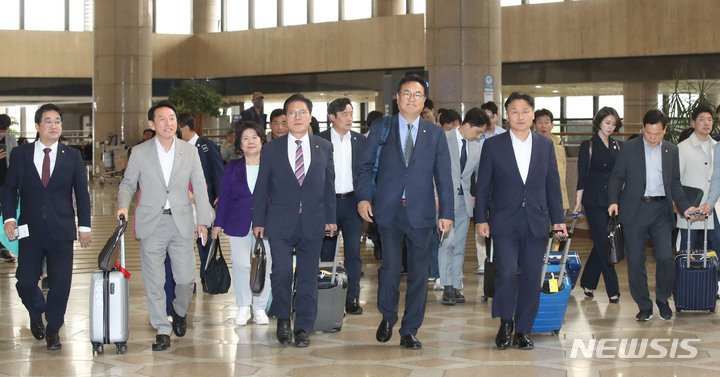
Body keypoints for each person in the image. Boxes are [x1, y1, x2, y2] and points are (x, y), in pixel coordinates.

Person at [356, 75, 454, 350]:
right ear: (397, 98)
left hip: (421, 213)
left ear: (424, 101)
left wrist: (446, 211)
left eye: (417, 94)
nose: (412, 98)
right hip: (387, 211)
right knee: (389, 269)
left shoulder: (434, 133)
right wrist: (364, 199)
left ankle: (410, 329)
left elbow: (444, 176)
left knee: (419, 274)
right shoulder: (380, 128)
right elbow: (364, 166)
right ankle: (388, 316)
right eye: (406, 94)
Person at [117, 100, 214, 351]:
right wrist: (122, 206)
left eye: (172, 118)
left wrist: (203, 220)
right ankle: (162, 328)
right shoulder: (139, 152)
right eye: (162, 119)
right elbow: (128, 184)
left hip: (182, 222)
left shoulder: (189, 151)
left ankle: (179, 311)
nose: (168, 123)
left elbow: (200, 187)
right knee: (154, 280)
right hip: (152, 223)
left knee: (185, 279)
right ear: (152, 124)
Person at [475, 92, 566, 351]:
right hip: (503, 221)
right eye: (514, 111)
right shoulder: (493, 145)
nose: (520, 116)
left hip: (536, 220)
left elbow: (553, 185)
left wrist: (558, 219)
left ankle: (523, 329)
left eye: (525, 111)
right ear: (507, 116)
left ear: (533, 115)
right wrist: (481, 218)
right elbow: (483, 186)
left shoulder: (545, 145)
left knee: (529, 276)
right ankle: (505, 323)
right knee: (505, 272)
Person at [2, 103, 91, 350]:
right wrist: (9, 218)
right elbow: (9, 189)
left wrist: (84, 226)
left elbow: (82, 194)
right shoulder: (20, 154)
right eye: (48, 121)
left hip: (61, 229)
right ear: (37, 126)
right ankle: (36, 310)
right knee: (25, 280)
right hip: (29, 230)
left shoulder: (71, 156)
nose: (54, 126)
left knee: (61, 283)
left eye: (57, 122)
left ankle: (53, 329)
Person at [252, 93, 337, 348]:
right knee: (280, 273)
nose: (297, 117)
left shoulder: (324, 147)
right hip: (279, 222)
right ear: (284, 119)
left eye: (302, 113)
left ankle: (303, 327)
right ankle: (283, 321)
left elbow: (328, 186)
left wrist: (331, 218)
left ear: (310, 117)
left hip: (313, 221)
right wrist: (258, 220)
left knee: (308, 275)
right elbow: (261, 188)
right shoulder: (271, 149)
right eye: (292, 113)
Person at [608, 109, 695, 322]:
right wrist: (613, 200)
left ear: (665, 130)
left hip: (661, 212)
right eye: (648, 134)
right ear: (643, 129)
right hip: (634, 211)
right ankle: (644, 305)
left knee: (665, 257)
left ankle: (663, 299)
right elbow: (617, 178)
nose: (653, 139)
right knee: (636, 262)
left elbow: (675, 183)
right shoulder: (628, 148)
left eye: (657, 134)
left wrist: (684, 207)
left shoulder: (671, 150)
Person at [211, 121, 272, 326]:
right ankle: (244, 306)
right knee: (240, 264)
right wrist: (218, 223)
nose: (250, 141)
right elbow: (225, 196)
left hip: (266, 222)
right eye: (245, 138)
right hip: (237, 222)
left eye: (254, 137)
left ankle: (260, 307)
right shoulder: (233, 167)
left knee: (265, 264)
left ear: (262, 140)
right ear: (240, 144)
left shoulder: (271, 165)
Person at [318, 98, 367, 315]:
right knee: (327, 253)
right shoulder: (318, 141)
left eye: (351, 113)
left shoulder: (359, 141)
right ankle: (328, 295)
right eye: (345, 114)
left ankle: (352, 298)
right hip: (328, 205)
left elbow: (366, 173)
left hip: (353, 203)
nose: (350, 118)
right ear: (332, 117)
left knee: (353, 253)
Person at [438, 107, 488, 305]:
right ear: (467, 125)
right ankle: (447, 285)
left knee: (459, 245)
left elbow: (479, 175)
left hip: (464, 201)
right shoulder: (443, 138)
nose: (478, 137)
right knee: (446, 243)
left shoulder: (475, 147)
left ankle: (457, 285)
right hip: (444, 200)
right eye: (478, 132)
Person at [573, 106, 623, 303]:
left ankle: (588, 281)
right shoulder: (588, 145)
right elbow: (582, 176)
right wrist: (578, 203)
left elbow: (621, 175)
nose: (610, 127)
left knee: (602, 241)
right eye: (607, 123)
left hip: (613, 200)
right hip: (593, 200)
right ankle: (613, 289)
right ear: (599, 122)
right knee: (604, 243)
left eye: (613, 124)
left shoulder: (618, 146)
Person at [177, 113, 225, 293]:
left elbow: (218, 170)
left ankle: (206, 275)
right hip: (182, 203)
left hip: (204, 201)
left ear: (185, 128)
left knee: (204, 240)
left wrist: (219, 196)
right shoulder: (177, 147)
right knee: (183, 242)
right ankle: (187, 279)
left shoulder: (206, 146)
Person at [677, 106, 720, 251]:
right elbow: (675, 179)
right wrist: (678, 205)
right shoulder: (682, 148)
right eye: (702, 120)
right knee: (687, 250)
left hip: (713, 207)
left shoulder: (717, 147)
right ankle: (685, 275)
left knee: (716, 247)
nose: (706, 123)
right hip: (691, 207)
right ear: (693, 123)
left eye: (709, 120)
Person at [474, 101, 507, 275]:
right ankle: (483, 261)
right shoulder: (476, 136)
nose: (489, 119)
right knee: (481, 223)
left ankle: (497, 259)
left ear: (497, 117)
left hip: (499, 186)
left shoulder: (504, 135)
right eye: (485, 115)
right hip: (481, 184)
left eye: (491, 116)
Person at [534, 109, 569, 211]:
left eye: (546, 122)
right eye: (540, 122)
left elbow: (563, 171)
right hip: (536, 197)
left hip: (557, 195)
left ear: (552, 125)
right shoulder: (528, 144)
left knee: (557, 226)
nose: (543, 126)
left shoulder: (558, 143)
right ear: (534, 125)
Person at [0, 114, 19, 262]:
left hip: (7, 183)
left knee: (7, 214)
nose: (2, 134)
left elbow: (16, 160)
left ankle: (6, 247)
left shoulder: (11, 140)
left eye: (4, 131)